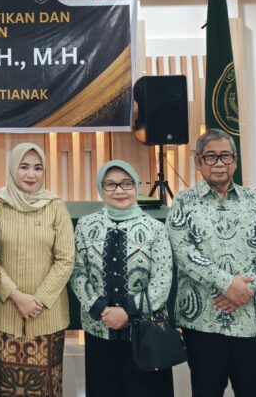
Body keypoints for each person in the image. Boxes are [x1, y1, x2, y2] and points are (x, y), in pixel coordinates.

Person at [167, 128, 256, 397]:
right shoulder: (184, 201)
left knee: (252, 391)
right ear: (198, 161)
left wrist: (245, 289)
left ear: (235, 160)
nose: (219, 163)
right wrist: (228, 284)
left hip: (251, 318)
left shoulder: (255, 200)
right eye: (211, 156)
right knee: (206, 391)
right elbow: (182, 251)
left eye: (225, 156)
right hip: (204, 320)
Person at [71, 160, 174, 397]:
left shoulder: (155, 228)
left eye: (126, 183)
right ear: (101, 188)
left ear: (136, 186)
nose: (119, 190)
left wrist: (128, 312)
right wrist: (100, 309)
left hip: (146, 333)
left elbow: (162, 281)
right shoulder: (85, 225)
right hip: (100, 330)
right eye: (111, 184)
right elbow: (77, 272)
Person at [0, 143, 74, 397]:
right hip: (4, 315)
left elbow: (65, 259)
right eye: (24, 167)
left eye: (38, 168)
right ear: (13, 168)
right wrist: (16, 296)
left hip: (47, 316)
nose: (31, 174)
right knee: (3, 387)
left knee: (45, 388)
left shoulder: (55, 206)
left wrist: (38, 300)